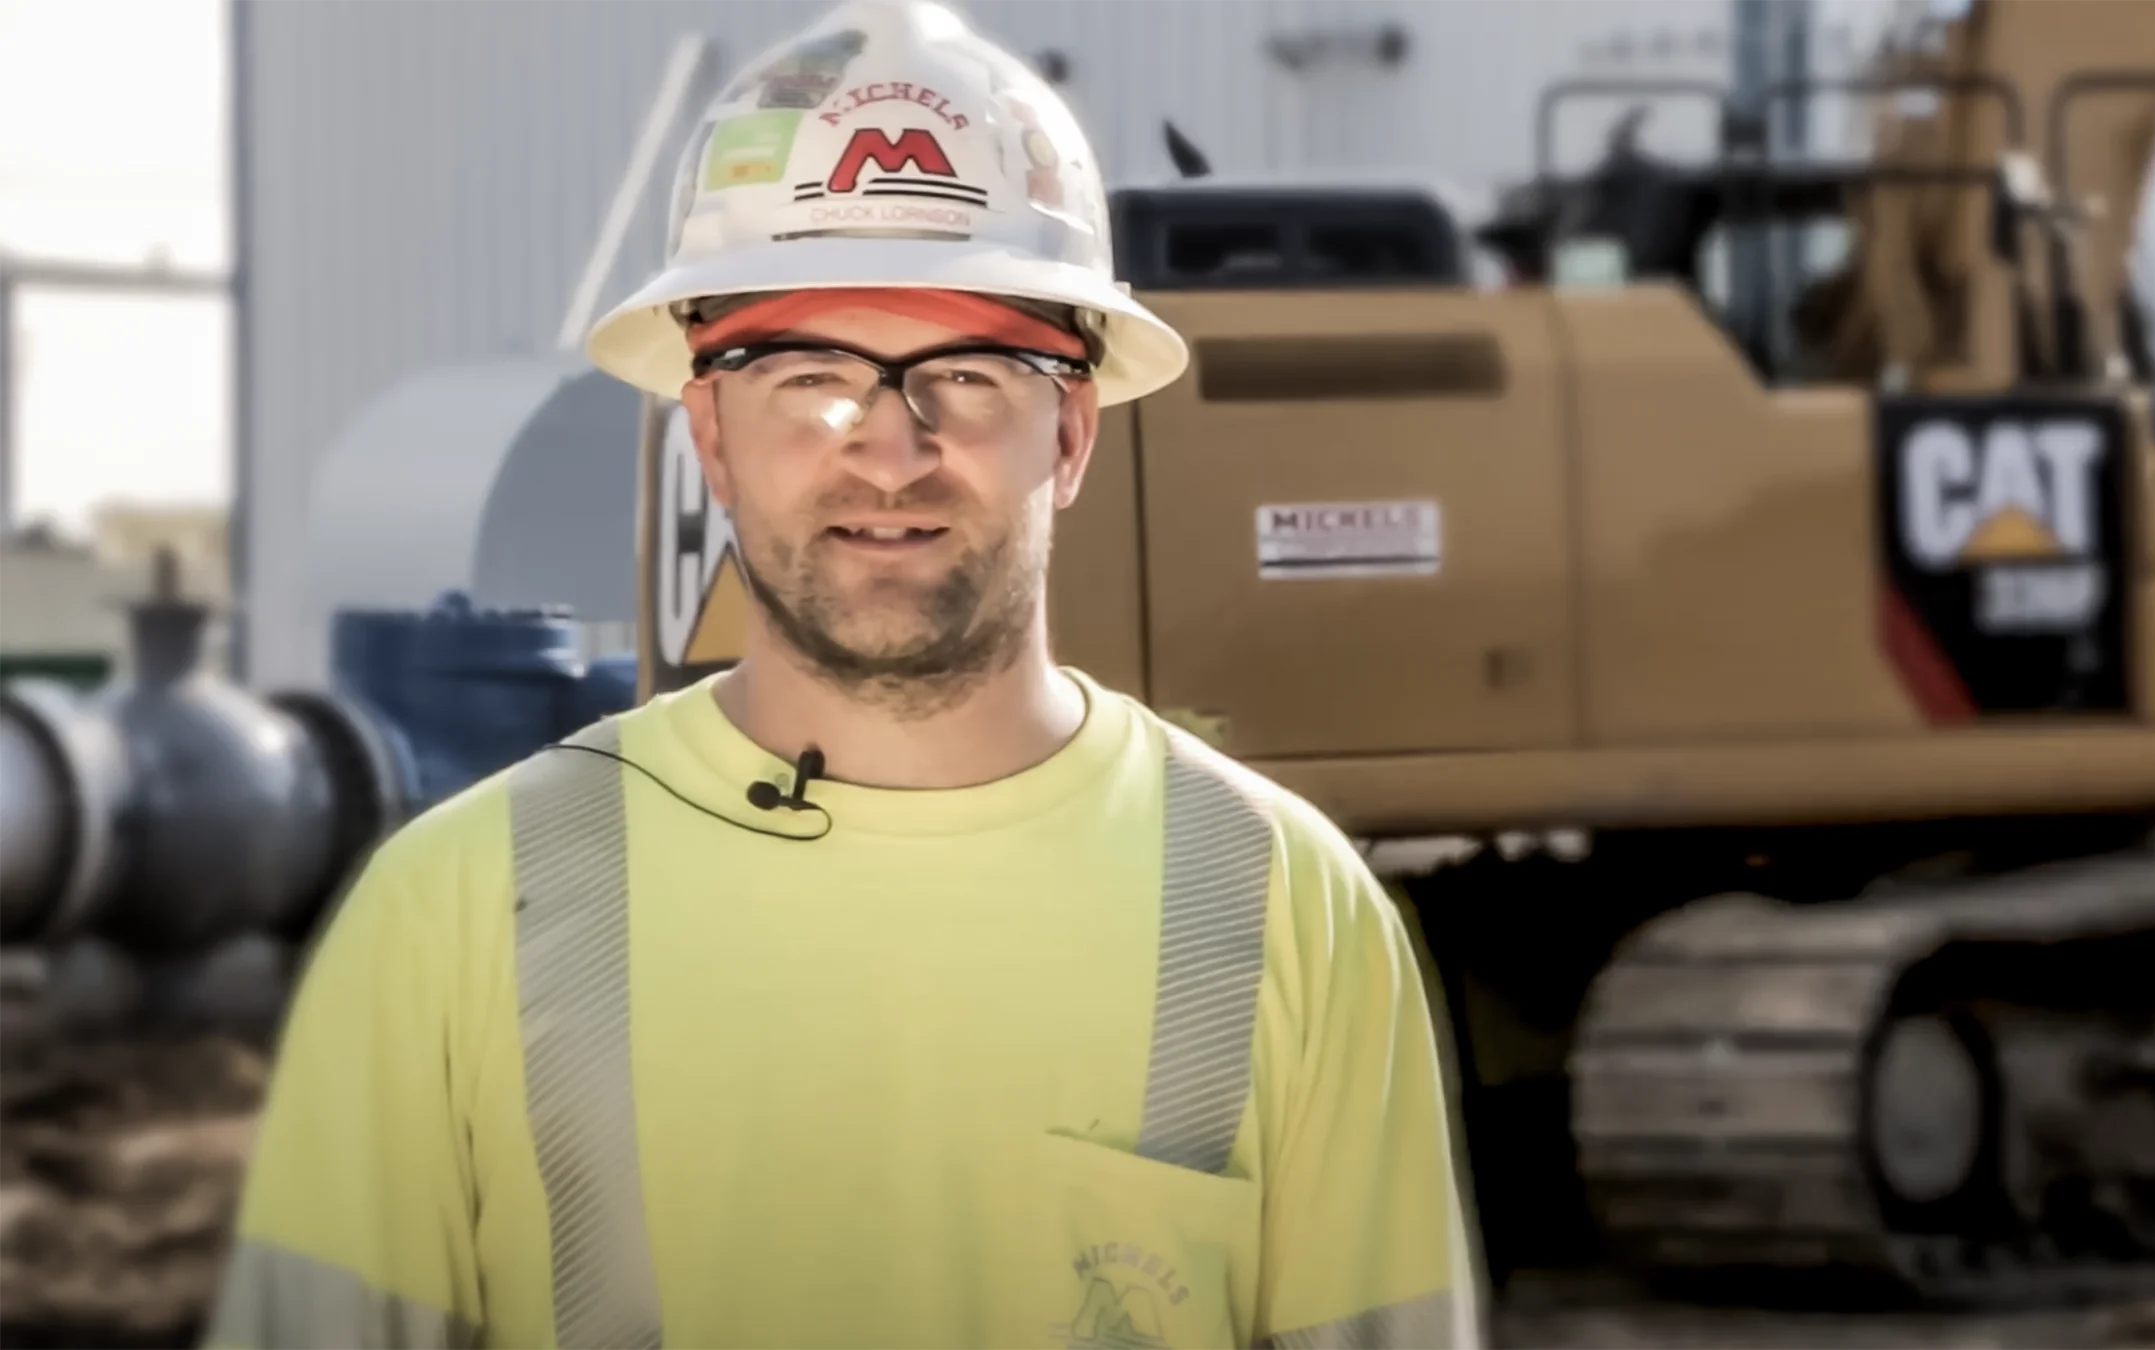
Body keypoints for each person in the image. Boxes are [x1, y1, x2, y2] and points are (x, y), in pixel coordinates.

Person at [202, 2, 1480, 1347]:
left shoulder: (1290, 912)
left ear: (1075, 430)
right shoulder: (456, 915)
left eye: (970, 374)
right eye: (810, 373)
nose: (888, 450)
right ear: (708, 429)